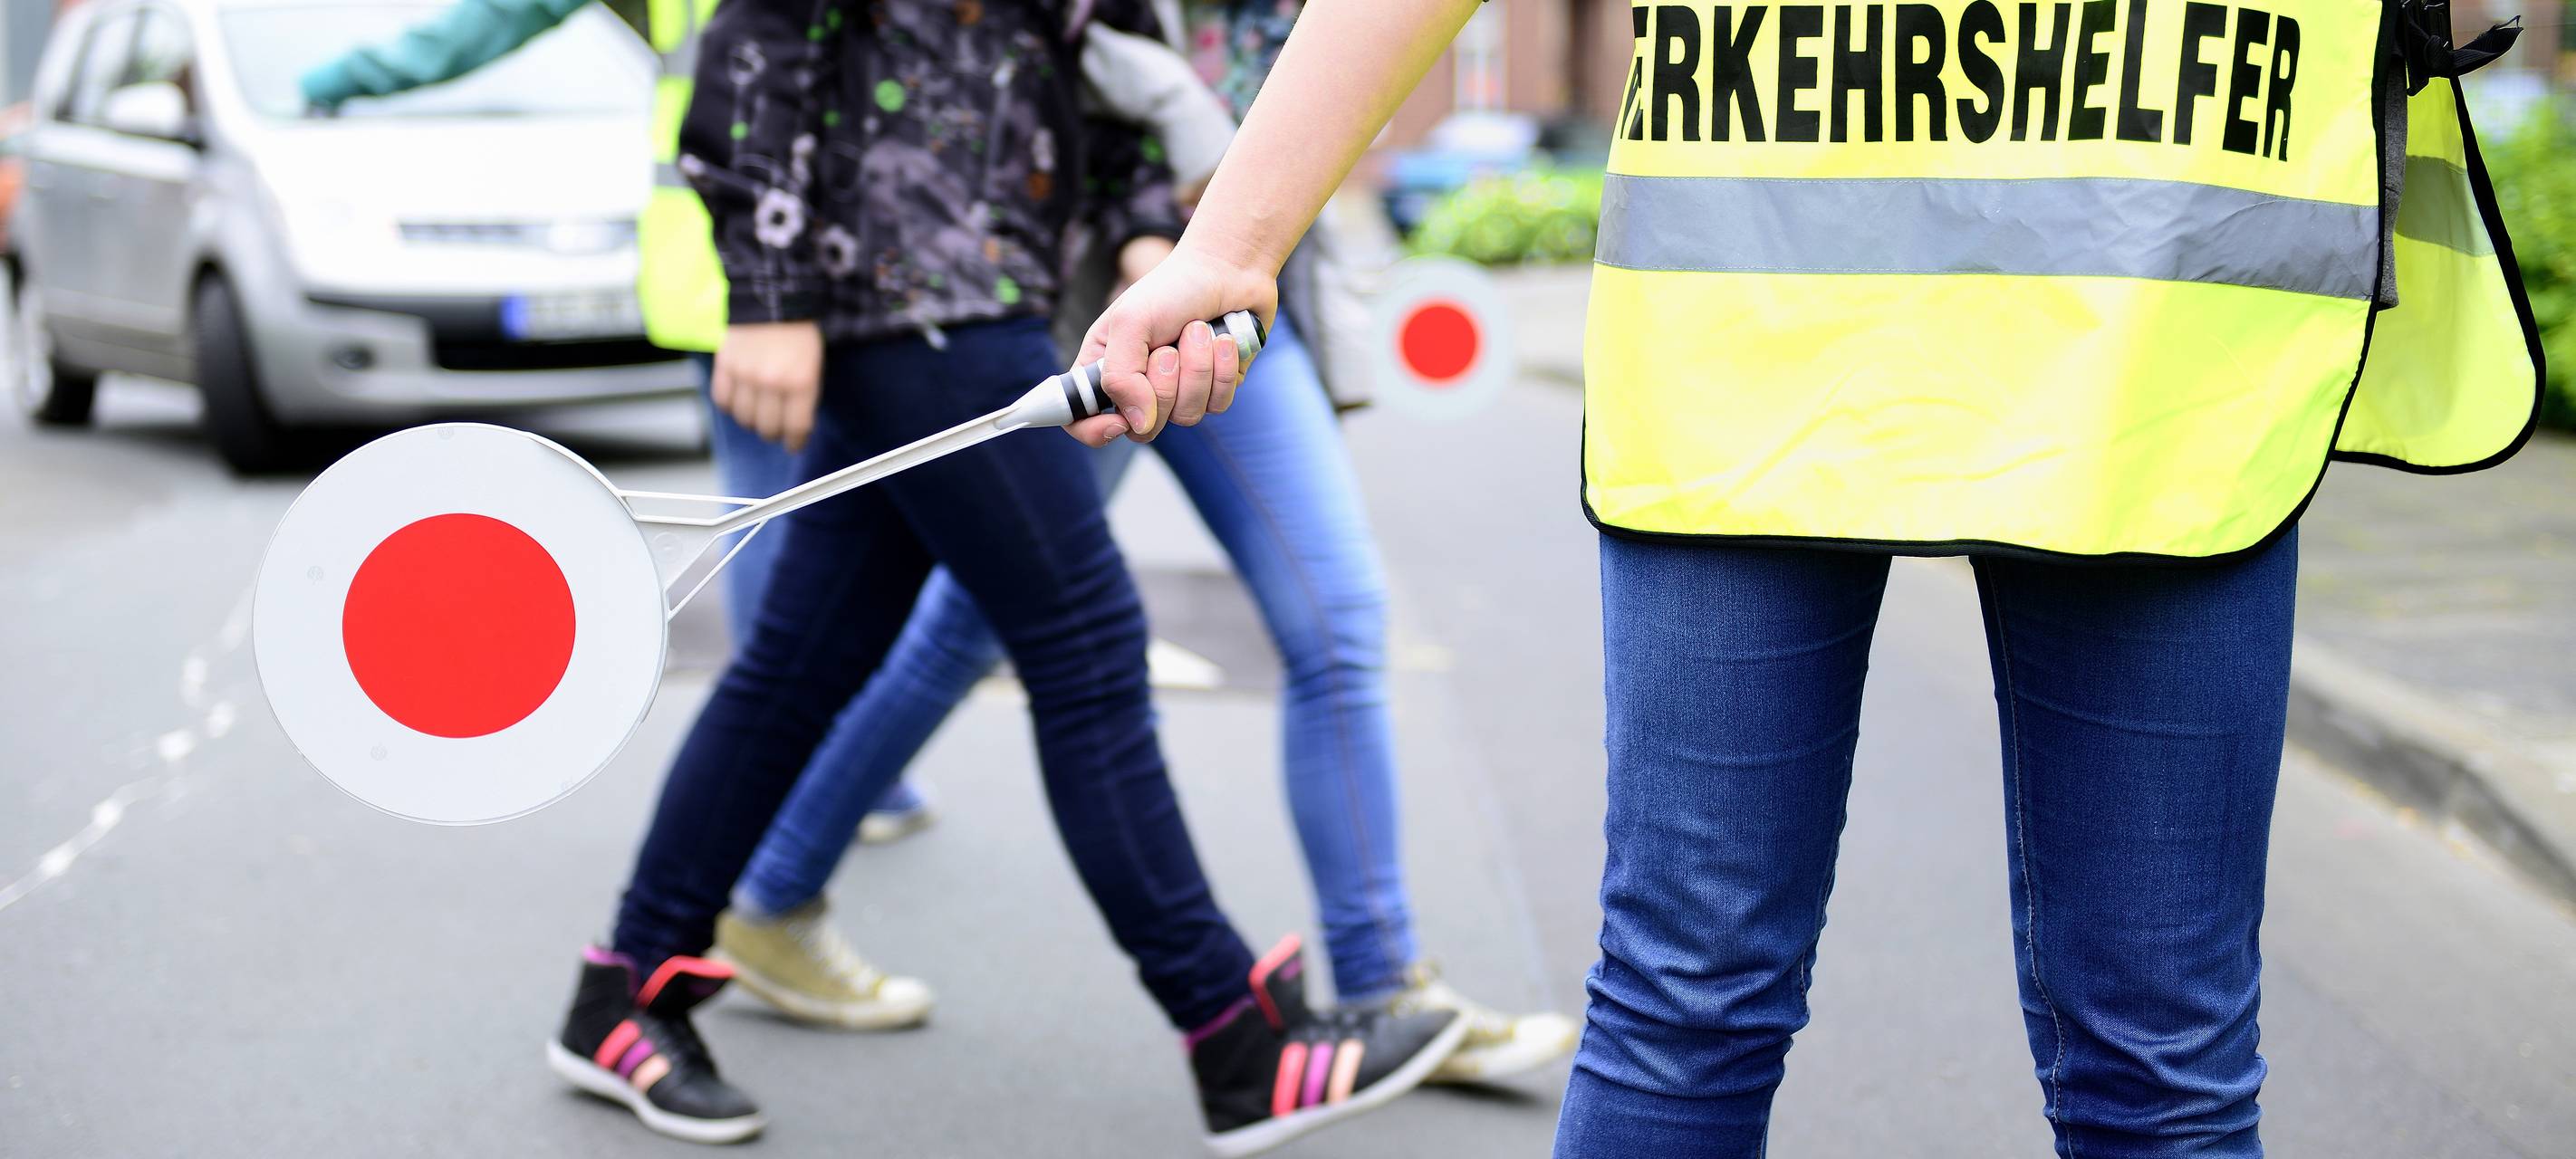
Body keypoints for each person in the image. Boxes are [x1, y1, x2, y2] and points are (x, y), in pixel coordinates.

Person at [1081, 3, 2543, 1157]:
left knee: (1691, 1009)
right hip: (2125, 340)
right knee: (2144, 1057)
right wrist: (1228, 242)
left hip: (1812, 328)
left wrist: (1232, 244)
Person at [713, 0, 1580, 1087]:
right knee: (970, 626)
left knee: (1337, 618)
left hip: (1229, 310)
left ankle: (1380, 982)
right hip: (1078, 315)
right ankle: (771, 895)